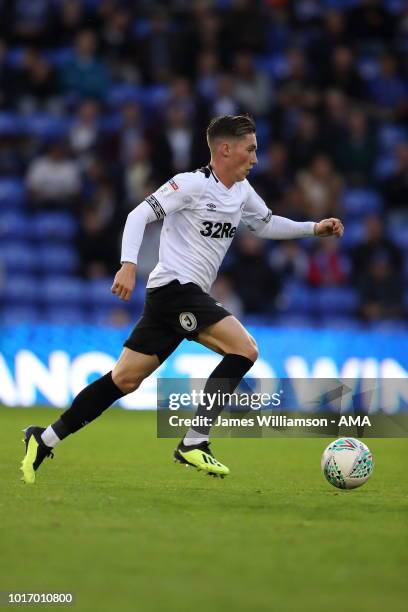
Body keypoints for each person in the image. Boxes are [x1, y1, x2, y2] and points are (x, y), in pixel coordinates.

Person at [20, 114, 344, 484]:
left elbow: (265, 223)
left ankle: (43, 439)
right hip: (175, 289)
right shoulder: (190, 185)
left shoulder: (241, 191)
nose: (256, 158)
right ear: (225, 149)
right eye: (250, 149)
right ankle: (194, 442)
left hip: (176, 298)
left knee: (124, 379)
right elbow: (138, 214)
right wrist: (127, 265)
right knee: (245, 349)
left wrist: (313, 228)